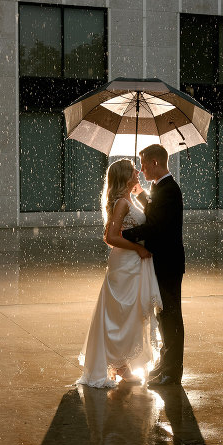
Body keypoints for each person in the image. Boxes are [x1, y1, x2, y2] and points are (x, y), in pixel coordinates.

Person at [76, 159, 163, 389]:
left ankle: (120, 364)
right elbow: (111, 237)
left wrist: (140, 193)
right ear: (126, 176)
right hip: (126, 263)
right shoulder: (122, 203)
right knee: (122, 315)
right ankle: (120, 366)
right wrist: (138, 248)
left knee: (127, 316)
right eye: (134, 169)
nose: (138, 171)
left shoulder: (127, 199)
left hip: (132, 264)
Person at [122, 144, 185, 387]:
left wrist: (124, 235)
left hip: (168, 264)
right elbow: (153, 213)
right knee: (162, 316)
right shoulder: (160, 188)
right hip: (160, 262)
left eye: (144, 164)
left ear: (156, 163)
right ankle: (164, 364)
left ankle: (173, 372)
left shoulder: (169, 190)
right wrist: (140, 194)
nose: (142, 169)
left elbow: (154, 227)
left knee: (171, 318)